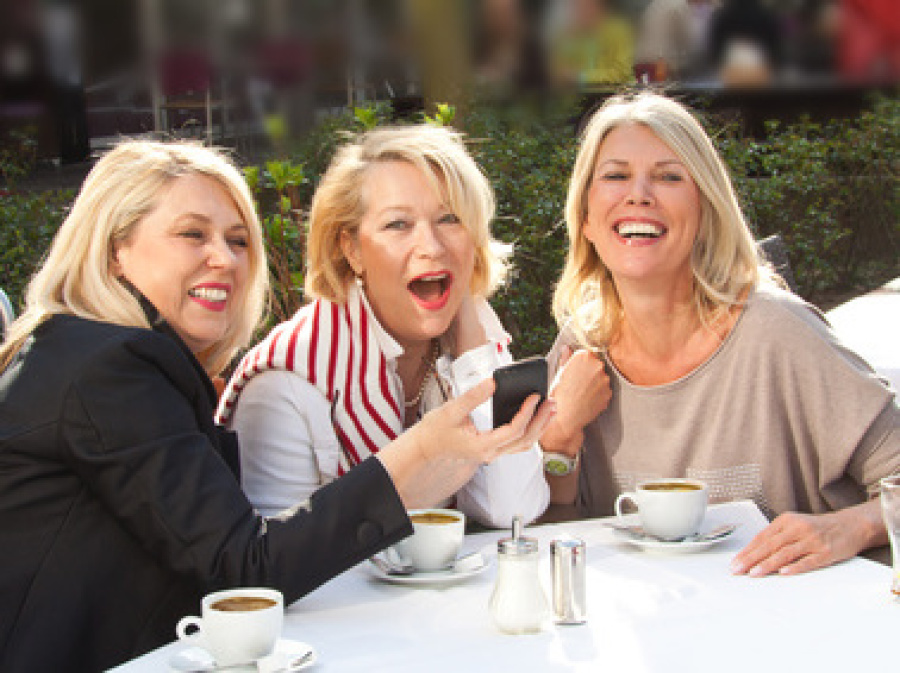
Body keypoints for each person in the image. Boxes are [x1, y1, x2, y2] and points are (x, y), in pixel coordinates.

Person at [0, 140, 553, 671]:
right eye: (192, 234)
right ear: (114, 252)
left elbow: (511, 508)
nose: (223, 258)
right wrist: (416, 456)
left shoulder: (94, 356)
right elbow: (245, 572)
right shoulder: (110, 371)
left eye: (238, 240)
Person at [541, 92, 899, 576]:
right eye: (616, 176)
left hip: (792, 616)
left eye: (669, 177)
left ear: (705, 211)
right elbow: (552, 540)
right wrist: (560, 436)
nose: (638, 194)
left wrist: (847, 528)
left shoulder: (776, 332)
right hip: (654, 620)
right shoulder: (577, 348)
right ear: (586, 217)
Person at [217, 124, 550, 527]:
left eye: (450, 219)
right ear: (352, 249)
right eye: (398, 225)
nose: (432, 247)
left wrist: (474, 359)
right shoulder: (286, 383)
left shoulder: (474, 339)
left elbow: (512, 511)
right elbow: (278, 553)